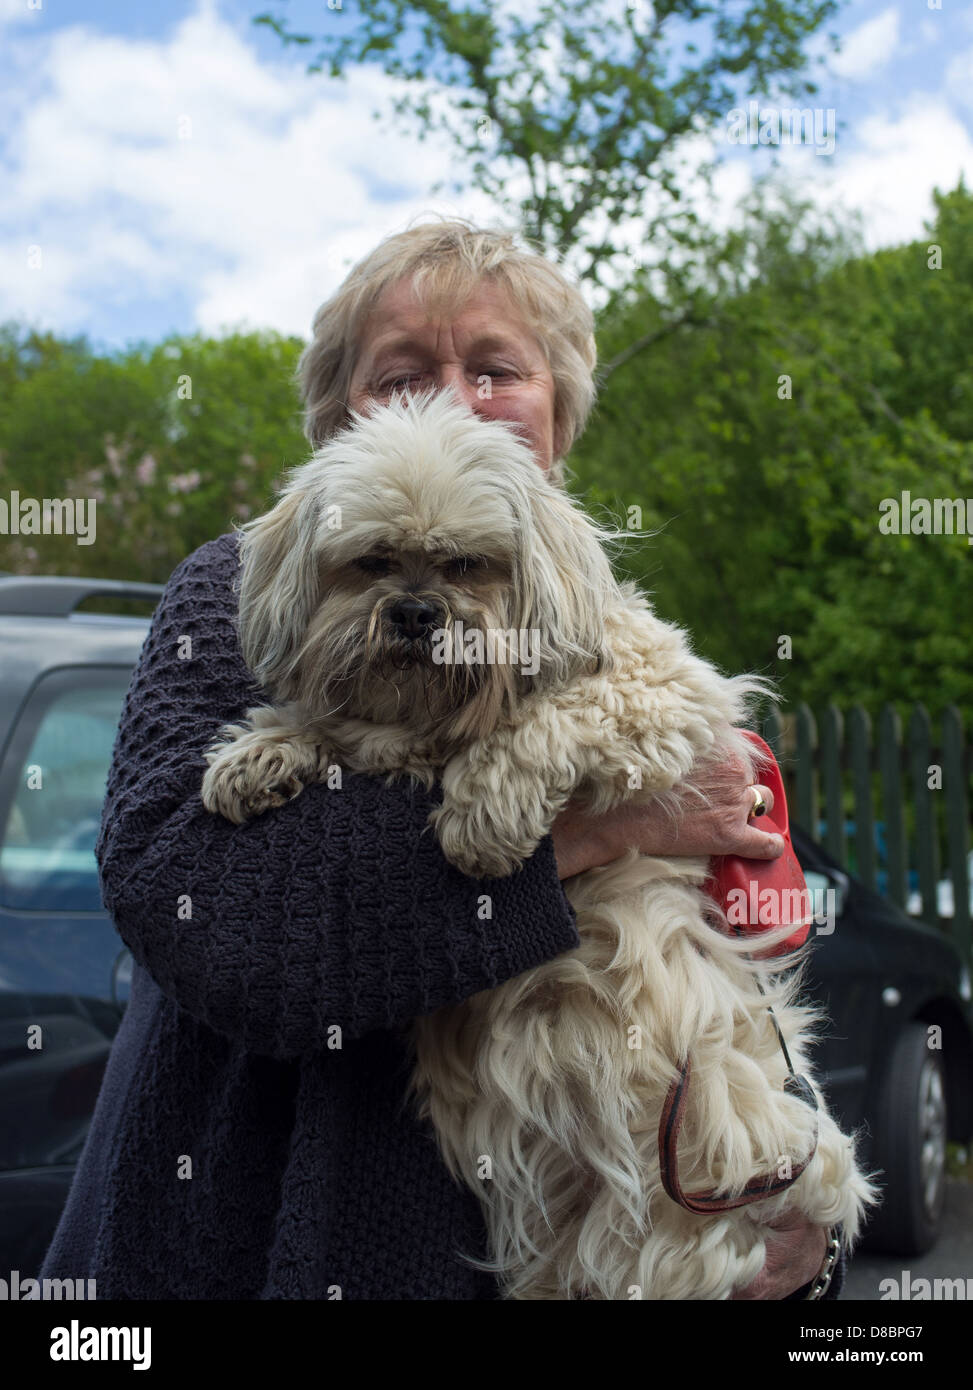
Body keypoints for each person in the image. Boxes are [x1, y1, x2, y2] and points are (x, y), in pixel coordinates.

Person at [39, 218, 842, 1300]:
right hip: (251, 1244)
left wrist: (807, 1239)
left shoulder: (579, 605)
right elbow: (215, 922)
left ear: (557, 417)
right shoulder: (234, 593)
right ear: (338, 418)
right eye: (402, 373)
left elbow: (739, 960)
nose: (452, 399)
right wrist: (599, 829)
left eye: (496, 369)